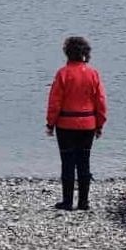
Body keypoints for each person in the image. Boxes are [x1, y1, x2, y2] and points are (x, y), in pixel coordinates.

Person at [45, 35, 107, 211]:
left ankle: (67, 201)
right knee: (84, 162)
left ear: (67, 53)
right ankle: (83, 202)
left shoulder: (63, 74)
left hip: (65, 125)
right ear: (85, 54)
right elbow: (101, 102)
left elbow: (54, 102)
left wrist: (50, 124)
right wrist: (100, 124)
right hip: (88, 124)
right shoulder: (93, 74)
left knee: (67, 162)